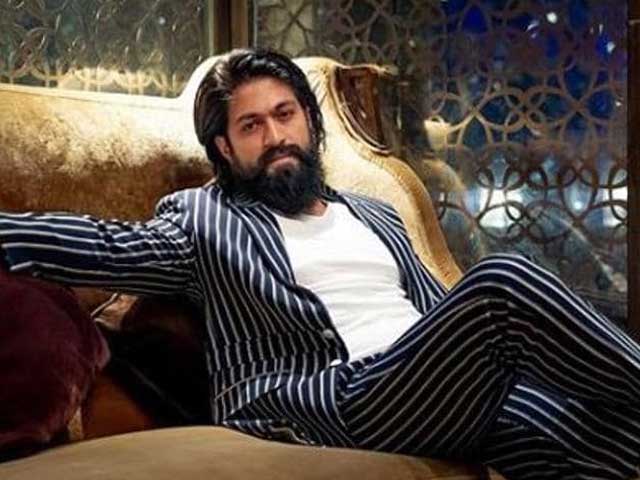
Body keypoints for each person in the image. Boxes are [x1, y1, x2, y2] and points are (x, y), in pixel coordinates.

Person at [0, 48, 639, 480]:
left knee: (588, 431)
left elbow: (440, 314)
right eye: (251, 126)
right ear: (225, 147)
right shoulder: (202, 220)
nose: (275, 136)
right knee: (503, 281)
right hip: (331, 398)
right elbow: (102, 244)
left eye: (285, 115)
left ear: (309, 121)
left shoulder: (375, 213)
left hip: (434, 390)